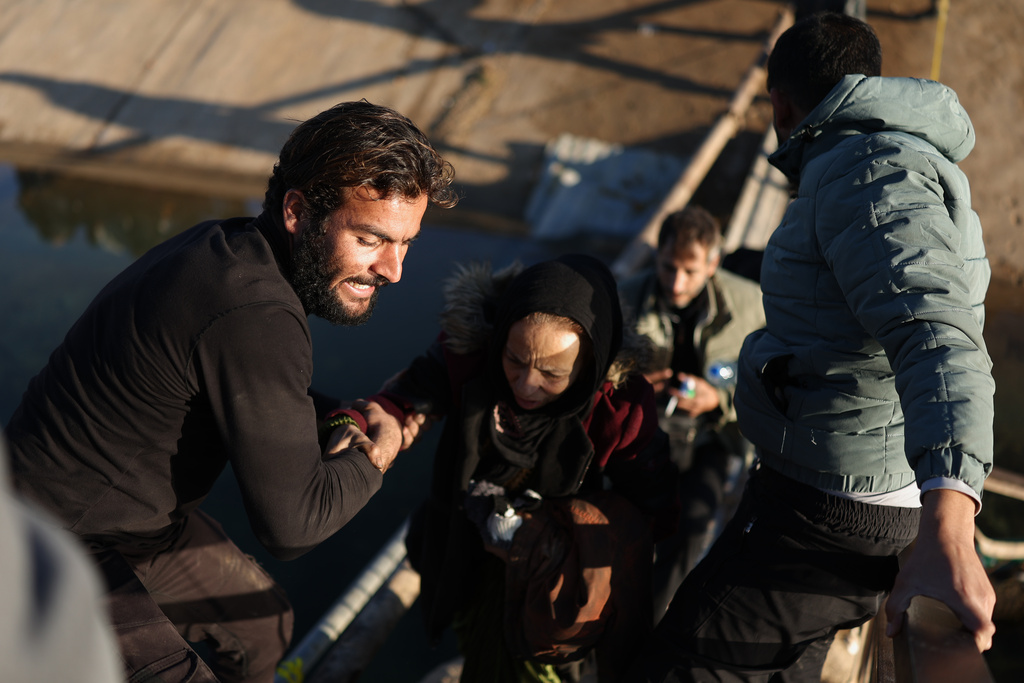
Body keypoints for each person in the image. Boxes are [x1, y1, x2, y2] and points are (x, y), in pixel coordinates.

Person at [4, 100, 457, 683]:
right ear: (298, 210)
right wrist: (380, 452)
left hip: (138, 526)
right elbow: (294, 527)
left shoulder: (230, 247)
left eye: (406, 243)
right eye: (371, 238)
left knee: (260, 626)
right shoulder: (256, 313)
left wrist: (343, 418)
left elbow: (257, 388)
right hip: (51, 541)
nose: (393, 270)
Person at [627, 12, 995, 682]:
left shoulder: (869, 178)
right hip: (849, 486)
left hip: (833, 508)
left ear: (780, 106)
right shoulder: (889, 161)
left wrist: (951, 524)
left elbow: (939, 339)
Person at [374, 254, 678, 683]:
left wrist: (552, 539)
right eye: (515, 360)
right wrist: (385, 413)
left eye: (553, 373)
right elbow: (414, 389)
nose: (526, 385)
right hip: (468, 552)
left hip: (553, 582)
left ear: (590, 366)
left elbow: (655, 506)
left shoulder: (620, 409)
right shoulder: (470, 350)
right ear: (499, 337)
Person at [619, 206, 765, 617]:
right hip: (646, 430)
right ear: (657, 258)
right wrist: (634, 384)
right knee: (627, 524)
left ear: (714, 264)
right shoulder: (624, 297)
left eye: (690, 271)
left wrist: (717, 400)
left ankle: (646, 625)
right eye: (668, 268)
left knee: (694, 527)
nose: (677, 284)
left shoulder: (751, 305)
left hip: (713, 435)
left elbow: (775, 381)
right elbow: (599, 375)